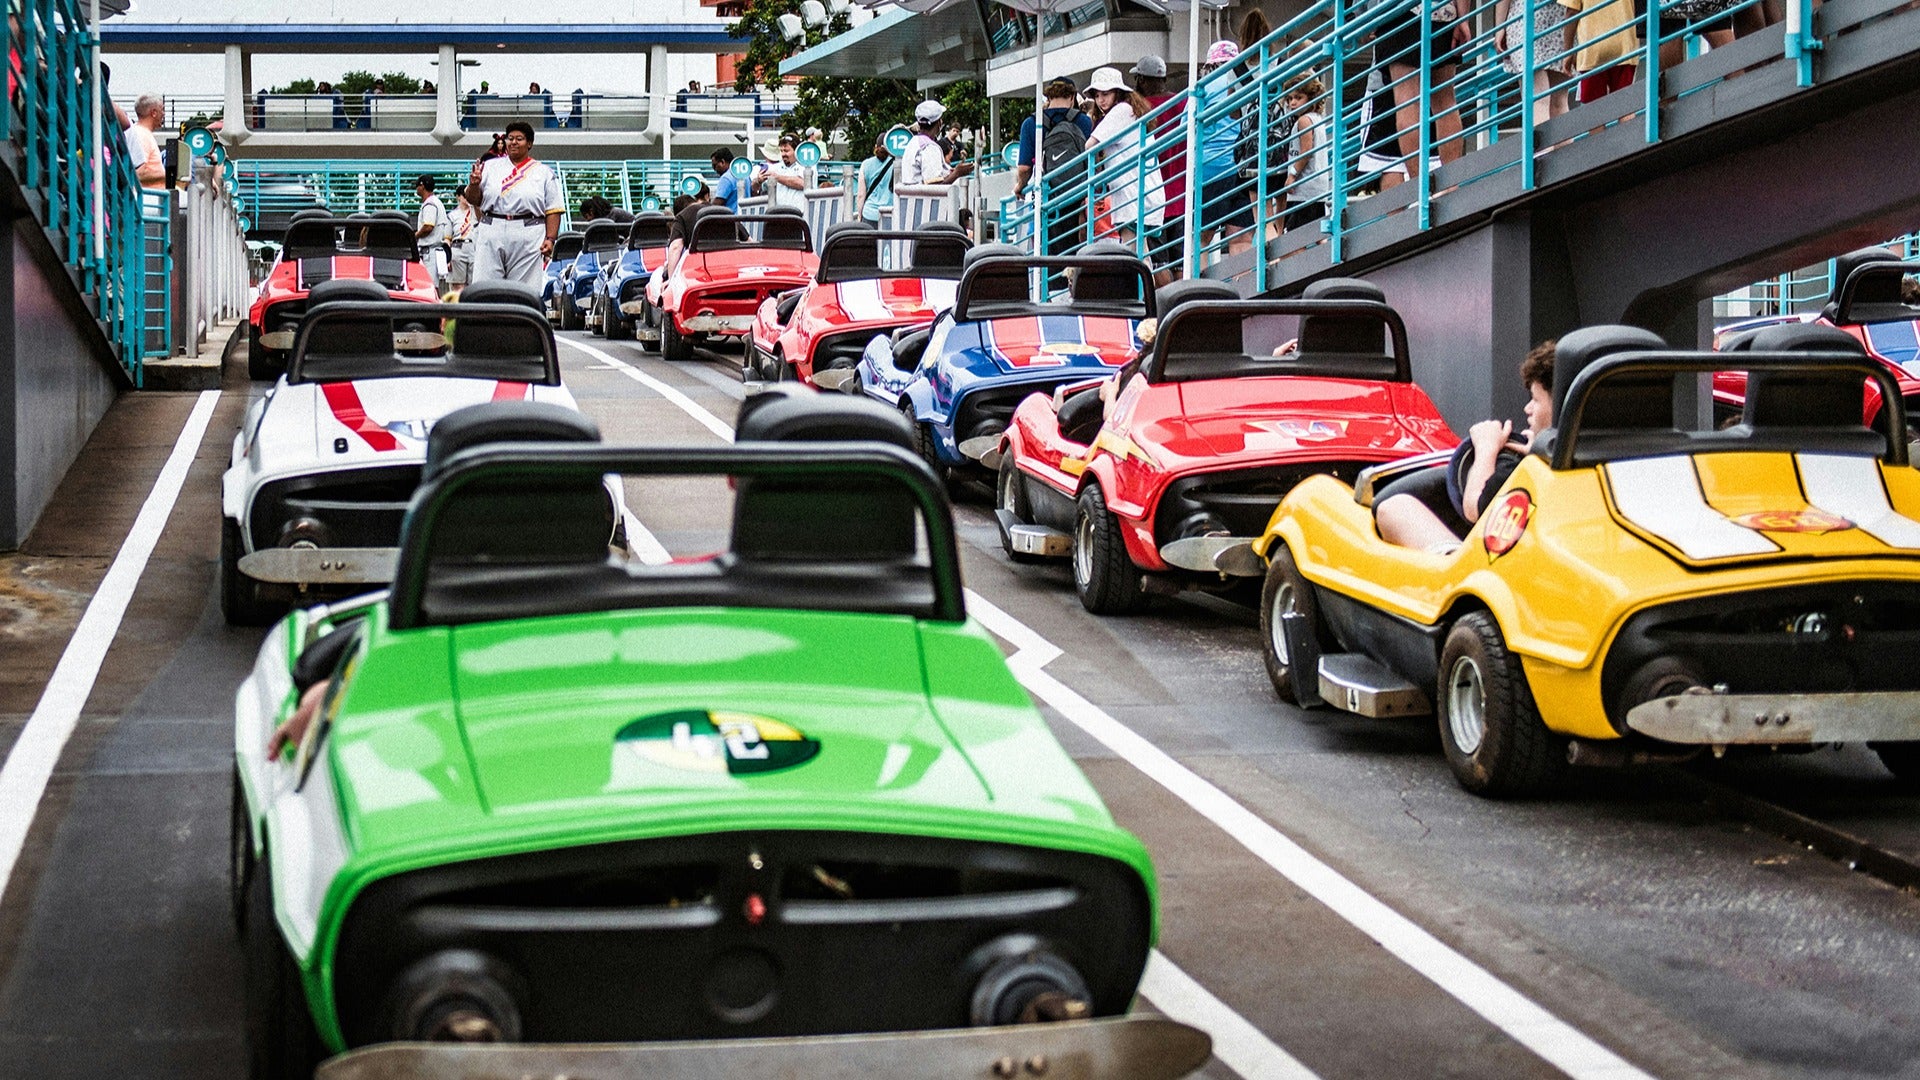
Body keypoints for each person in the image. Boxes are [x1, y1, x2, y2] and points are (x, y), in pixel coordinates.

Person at [1375, 340, 1557, 553]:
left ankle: (1450, 563)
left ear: (1559, 404)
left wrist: (1486, 448)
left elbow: (1474, 509)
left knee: (1393, 507)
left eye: (1535, 399)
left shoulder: (1523, 471)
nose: (1528, 408)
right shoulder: (1587, 459)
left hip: (1511, 565)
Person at [1368, 2, 1470, 189]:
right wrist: (1463, 18)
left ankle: (1420, 187)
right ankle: (1452, 185)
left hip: (1397, 13)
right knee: (1445, 101)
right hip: (1442, 13)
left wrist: (1371, 17)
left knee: (1407, 101)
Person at [460, 120, 565, 285]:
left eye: (519, 139)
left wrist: (550, 239)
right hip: (492, 226)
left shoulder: (543, 172)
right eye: (510, 138)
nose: (513, 142)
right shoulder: (489, 167)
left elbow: (553, 209)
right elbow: (473, 200)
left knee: (525, 288)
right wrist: (474, 184)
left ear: (529, 143)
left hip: (528, 230)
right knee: (485, 286)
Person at [1082, 67, 1164, 247]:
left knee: (1131, 251)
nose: (1100, 100)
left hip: (1133, 194)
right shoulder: (1131, 110)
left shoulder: (1121, 111)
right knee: (1140, 251)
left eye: (1105, 94)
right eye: (1097, 95)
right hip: (1141, 191)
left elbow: (1089, 145)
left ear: (1117, 93)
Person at [1195, 42, 1253, 257]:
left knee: (1202, 238)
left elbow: (1186, 127)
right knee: (1241, 238)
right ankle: (1244, 279)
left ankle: (1198, 278)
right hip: (1243, 165)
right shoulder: (1245, 82)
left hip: (1211, 168)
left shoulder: (1202, 88)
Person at [1133, 56, 1181, 284]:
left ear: (1142, 79)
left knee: (1159, 264)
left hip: (1153, 196)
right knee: (1181, 263)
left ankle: (1168, 302)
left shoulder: (1140, 109)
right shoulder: (1182, 102)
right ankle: (1186, 299)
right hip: (1181, 191)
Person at [1495, 0, 1573, 122]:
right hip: (1562, 16)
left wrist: (1500, 27)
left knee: (1537, 99)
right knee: (1559, 101)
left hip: (1527, 18)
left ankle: (1537, 135)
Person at [1280, 79, 1329, 234]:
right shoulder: (1317, 119)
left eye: (1298, 97)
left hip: (1304, 188)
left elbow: (1306, 151)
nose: (1292, 103)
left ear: (1311, 98)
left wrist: (1292, 175)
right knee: (1315, 232)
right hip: (1316, 187)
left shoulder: (1304, 121)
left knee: (1296, 235)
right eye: (1289, 99)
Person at [900, 100, 972, 186]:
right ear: (939, 123)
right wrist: (957, 173)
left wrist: (949, 173)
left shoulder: (914, 142)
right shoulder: (929, 147)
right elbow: (934, 186)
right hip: (922, 195)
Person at [854, 127, 899, 225]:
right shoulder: (897, 165)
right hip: (890, 214)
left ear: (875, 147)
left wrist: (859, 215)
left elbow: (861, 195)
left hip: (869, 214)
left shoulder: (865, 164)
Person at [756, 133, 809, 212]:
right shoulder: (775, 168)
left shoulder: (806, 166)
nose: (783, 154)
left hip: (800, 215)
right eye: (781, 151)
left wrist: (777, 177)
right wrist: (758, 181)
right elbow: (755, 188)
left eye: (786, 151)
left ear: (796, 150)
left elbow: (803, 183)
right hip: (778, 215)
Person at [414, 174, 450, 289]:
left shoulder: (430, 204)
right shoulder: (436, 202)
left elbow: (428, 226)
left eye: (417, 186)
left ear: (422, 186)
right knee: (434, 287)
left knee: (429, 287)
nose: (416, 189)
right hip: (435, 250)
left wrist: (415, 236)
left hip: (430, 252)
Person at [124, 92, 166, 189]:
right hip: (148, 196)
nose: (163, 114)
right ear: (154, 113)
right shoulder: (141, 135)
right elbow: (137, 173)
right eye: (162, 109)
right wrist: (166, 175)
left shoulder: (140, 133)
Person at [447, 191, 477, 287]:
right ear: (458, 197)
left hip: (473, 248)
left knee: (474, 284)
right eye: (464, 195)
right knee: (458, 285)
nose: (467, 198)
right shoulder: (452, 215)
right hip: (457, 248)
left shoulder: (476, 213)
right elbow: (447, 239)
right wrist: (447, 258)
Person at [709, 147, 742, 212]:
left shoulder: (726, 178)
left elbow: (717, 203)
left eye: (714, 165)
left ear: (722, 162)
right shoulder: (746, 176)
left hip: (731, 217)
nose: (714, 169)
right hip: (747, 216)